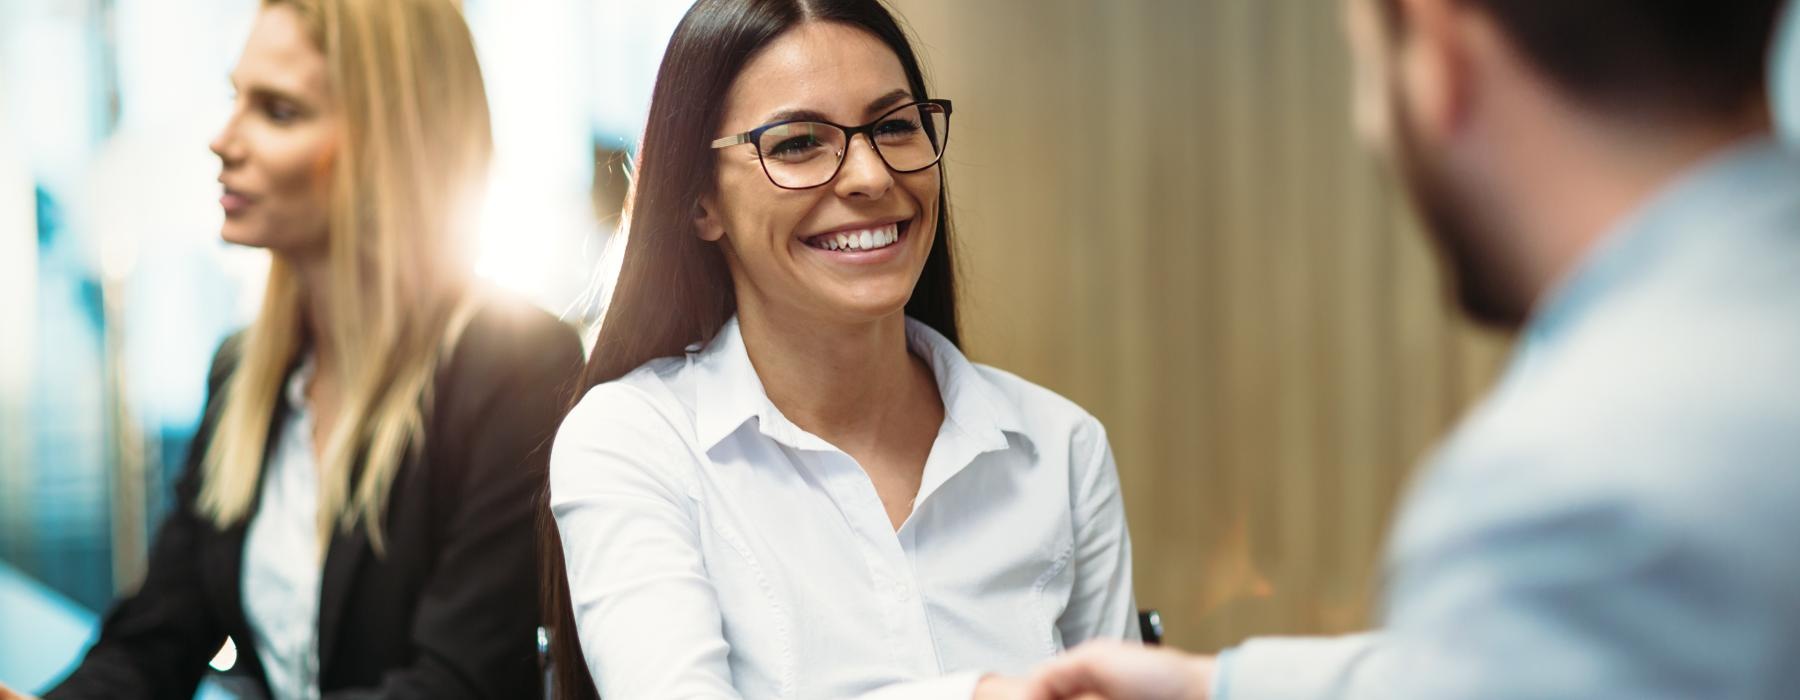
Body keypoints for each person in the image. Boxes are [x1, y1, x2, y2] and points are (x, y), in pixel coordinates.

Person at [1014, 0, 1800, 698]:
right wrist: (1213, 686)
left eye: (1363, 61)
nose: (1368, 125)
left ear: (1438, 45)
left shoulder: (1571, 491)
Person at [542, 1, 1139, 698]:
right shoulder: (633, 440)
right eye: (798, 143)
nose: (870, 176)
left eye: (893, 126)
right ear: (701, 202)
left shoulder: (1061, 449)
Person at [0, 0, 582, 698]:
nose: (223, 139)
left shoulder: (516, 366)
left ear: (391, 145)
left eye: (277, 111)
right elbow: (153, 638)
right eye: (234, 99)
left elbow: (455, 685)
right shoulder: (243, 372)